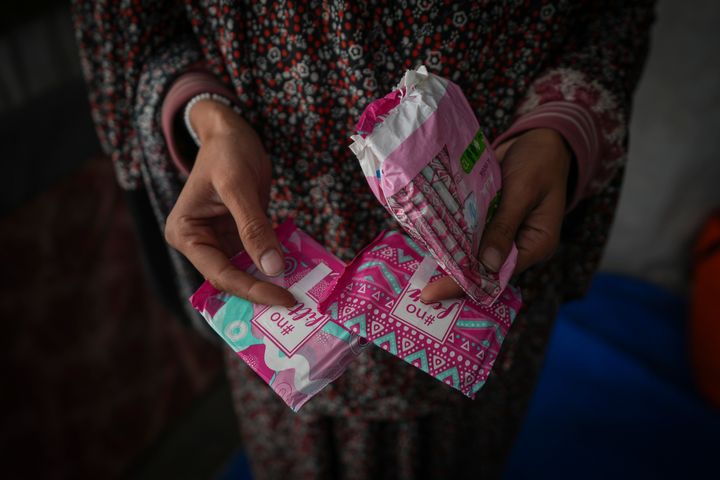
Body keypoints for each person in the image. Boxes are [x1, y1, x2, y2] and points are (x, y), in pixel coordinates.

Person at [72, 1, 655, 478]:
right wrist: (208, 115)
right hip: (267, 241)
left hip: (500, 228)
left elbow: (614, 20)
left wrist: (560, 128)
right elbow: (131, 30)